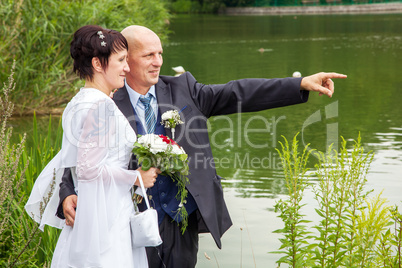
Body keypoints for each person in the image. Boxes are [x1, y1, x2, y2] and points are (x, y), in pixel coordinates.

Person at [58, 25, 347, 268]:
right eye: (148, 55)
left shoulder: (184, 89)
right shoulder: (103, 101)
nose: (157, 61)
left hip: (180, 221)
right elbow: (79, 155)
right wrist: (67, 192)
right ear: (125, 60)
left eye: (160, 53)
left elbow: (237, 91)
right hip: (126, 221)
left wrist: (297, 85)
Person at [25, 25, 159, 267]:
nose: (127, 68)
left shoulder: (78, 101)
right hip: (107, 214)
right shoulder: (101, 107)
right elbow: (89, 170)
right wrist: (135, 177)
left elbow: (74, 160)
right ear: (98, 64)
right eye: (121, 60)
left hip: (95, 206)